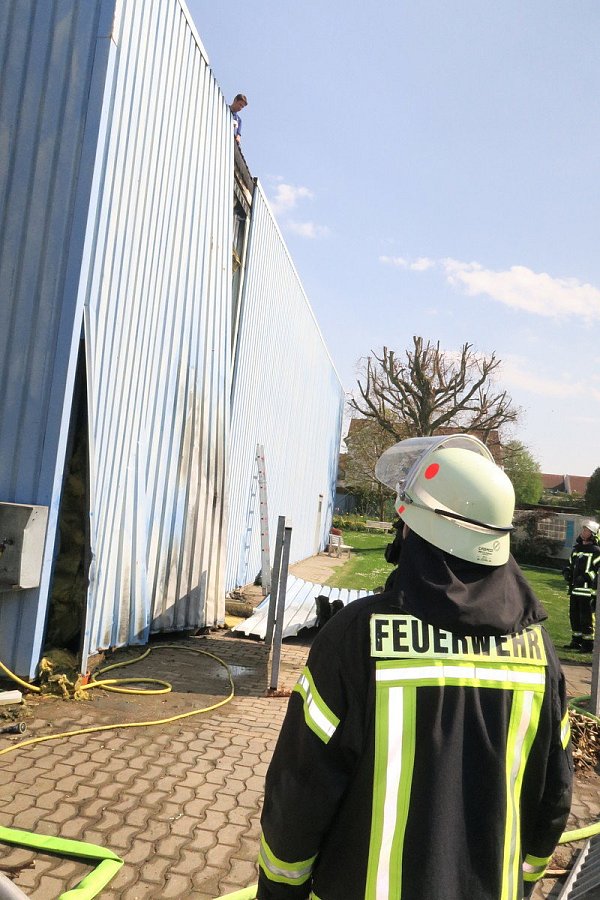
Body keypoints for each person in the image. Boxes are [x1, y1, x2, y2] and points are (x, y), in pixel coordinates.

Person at [257, 434, 572, 900]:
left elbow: (301, 790)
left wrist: (279, 890)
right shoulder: (538, 651)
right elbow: (554, 797)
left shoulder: (356, 637)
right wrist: (521, 882)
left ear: (417, 531)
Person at [563, 518, 600, 652]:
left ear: (593, 534)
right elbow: (570, 564)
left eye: (586, 530)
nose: (583, 532)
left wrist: (584, 577)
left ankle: (588, 644)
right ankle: (576, 640)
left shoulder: (596, 551)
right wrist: (567, 572)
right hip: (574, 589)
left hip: (586, 590)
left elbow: (596, 571)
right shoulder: (577, 549)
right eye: (583, 530)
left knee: (586, 617)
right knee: (574, 615)